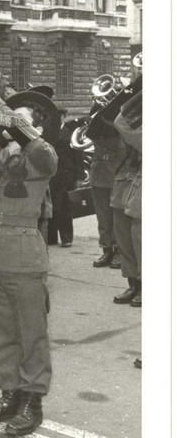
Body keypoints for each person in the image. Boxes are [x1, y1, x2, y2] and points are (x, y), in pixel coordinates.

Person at [0, 89, 59, 437]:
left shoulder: (40, 156)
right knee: (3, 333)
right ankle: (10, 393)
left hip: (22, 257)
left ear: (35, 127)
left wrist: (22, 130)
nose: (11, 123)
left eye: (20, 119)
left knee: (31, 334)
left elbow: (45, 155)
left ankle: (32, 402)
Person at [86, 77, 142, 307]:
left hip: (140, 182)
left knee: (139, 238)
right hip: (124, 179)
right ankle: (132, 285)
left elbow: (120, 122)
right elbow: (111, 121)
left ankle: (145, 286)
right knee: (123, 236)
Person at [86, 114, 126, 270]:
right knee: (103, 218)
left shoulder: (118, 133)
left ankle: (118, 252)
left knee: (117, 219)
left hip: (115, 177)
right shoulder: (96, 132)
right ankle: (107, 250)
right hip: (99, 177)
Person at [47, 110, 82, 248]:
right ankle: (51, 237)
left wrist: (79, 177)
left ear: (63, 117)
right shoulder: (49, 132)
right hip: (52, 175)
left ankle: (67, 238)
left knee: (65, 208)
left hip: (67, 176)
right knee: (52, 207)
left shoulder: (71, 133)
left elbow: (78, 156)